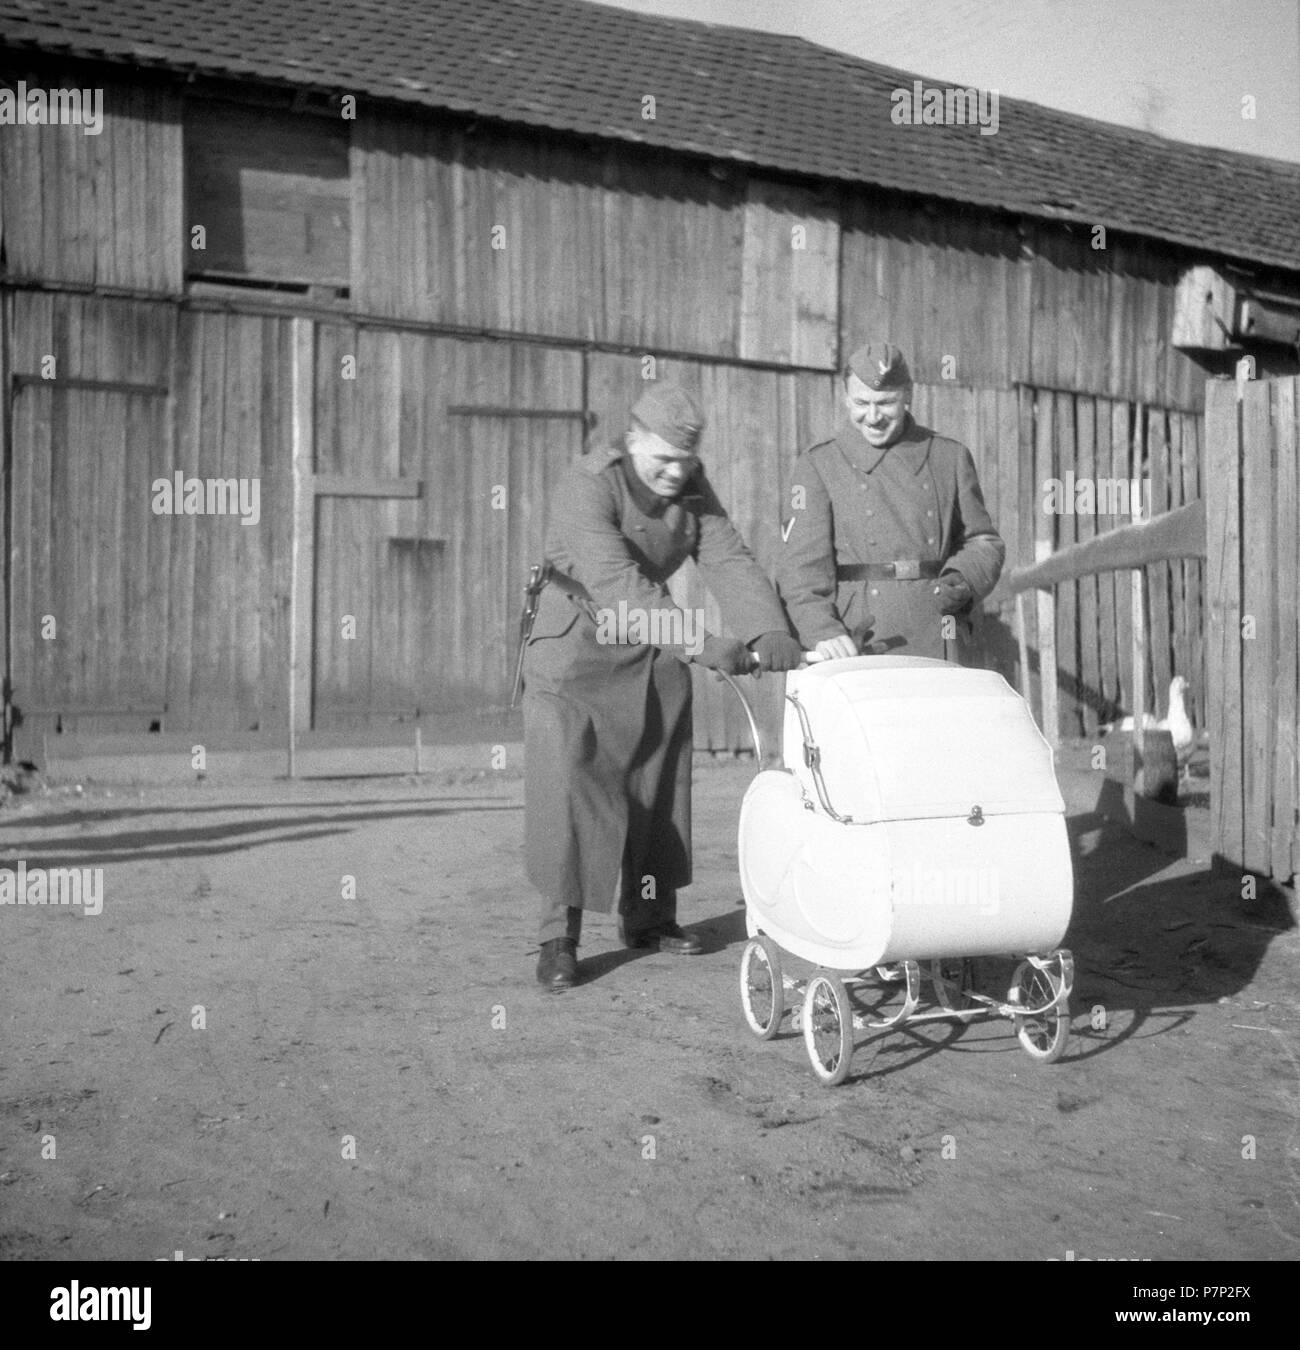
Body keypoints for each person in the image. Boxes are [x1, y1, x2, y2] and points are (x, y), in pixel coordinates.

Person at [522, 382, 803, 992]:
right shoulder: (589, 483)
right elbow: (617, 583)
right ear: (631, 443)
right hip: (577, 644)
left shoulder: (692, 490)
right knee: (569, 780)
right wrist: (704, 643)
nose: (675, 473)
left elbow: (729, 559)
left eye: (686, 461)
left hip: (651, 644)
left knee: (659, 780)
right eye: (662, 460)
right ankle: (558, 938)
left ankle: (649, 917)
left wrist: (770, 629)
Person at [778, 342, 1005, 663]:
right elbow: (800, 569)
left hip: (939, 629)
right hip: (856, 637)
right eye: (861, 403)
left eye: (886, 403)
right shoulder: (819, 464)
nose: (872, 417)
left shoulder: (949, 457)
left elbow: (983, 541)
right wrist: (823, 631)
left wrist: (964, 577)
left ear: (908, 396)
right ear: (845, 396)